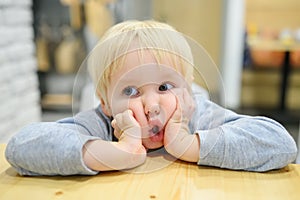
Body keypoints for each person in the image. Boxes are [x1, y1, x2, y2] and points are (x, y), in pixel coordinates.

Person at [5, 20, 297, 176]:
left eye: (165, 87)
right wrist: (123, 152)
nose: (151, 106)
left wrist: (186, 144)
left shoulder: (197, 114)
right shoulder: (102, 122)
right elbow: (21, 148)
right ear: (106, 103)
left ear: (187, 91)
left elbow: (280, 144)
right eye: (130, 91)